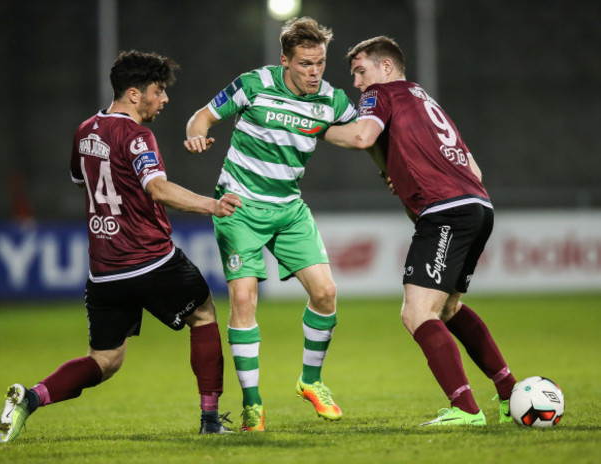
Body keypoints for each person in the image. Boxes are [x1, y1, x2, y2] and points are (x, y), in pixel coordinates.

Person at [0, 50, 243, 443]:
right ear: (132, 93)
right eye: (158, 92)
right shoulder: (138, 135)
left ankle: (30, 398)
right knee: (204, 316)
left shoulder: (85, 130)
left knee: (105, 361)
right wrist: (211, 205)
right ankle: (211, 420)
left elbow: (82, 181)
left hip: (104, 268)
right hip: (150, 258)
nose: (164, 99)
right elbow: (157, 188)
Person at [322, 36, 517, 426]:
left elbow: (362, 137)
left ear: (386, 67)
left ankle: (465, 408)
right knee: (448, 308)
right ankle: (510, 393)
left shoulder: (381, 92)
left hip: (446, 213)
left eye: (361, 71)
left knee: (416, 313)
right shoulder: (422, 98)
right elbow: (474, 170)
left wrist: (313, 131)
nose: (358, 83)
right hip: (478, 206)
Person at [183, 17, 357, 431]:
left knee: (326, 294)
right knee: (244, 300)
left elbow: (364, 133)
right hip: (239, 205)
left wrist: (388, 167)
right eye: (305, 64)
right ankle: (253, 406)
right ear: (285, 60)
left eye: (320, 63)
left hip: (289, 208)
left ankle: (311, 382)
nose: (315, 72)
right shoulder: (254, 84)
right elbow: (202, 117)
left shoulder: (331, 99)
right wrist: (195, 135)